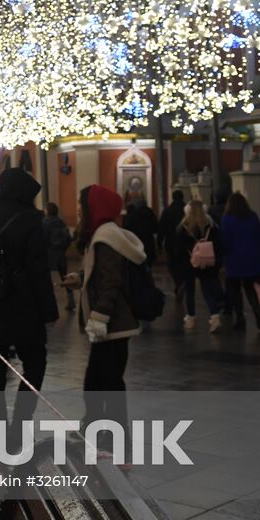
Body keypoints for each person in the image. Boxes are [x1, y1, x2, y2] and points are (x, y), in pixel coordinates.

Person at [0, 168, 58, 431]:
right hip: (23, 306)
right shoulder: (29, 220)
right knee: (35, 362)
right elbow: (38, 272)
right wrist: (49, 311)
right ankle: (20, 420)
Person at [63, 185, 145, 439]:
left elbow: (111, 280)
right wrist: (81, 278)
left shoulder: (106, 236)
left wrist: (100, 316)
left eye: (81, 202)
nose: (78, 207)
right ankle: (97, 426)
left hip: (114, 323)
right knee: (100, 380)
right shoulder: (101, 233)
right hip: (111, 322)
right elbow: (101, 273)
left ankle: (113, 432)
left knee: (106, 381)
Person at [221, 192, 260, 331]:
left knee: (235, 290)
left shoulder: (227, 218)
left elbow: (225, 241)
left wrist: (223, 255)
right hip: (252, 258)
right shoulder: (252, 217)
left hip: (234, 259)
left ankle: (240, 319)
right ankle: (258, 312)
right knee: (249, 288)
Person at [175, 199, 224, 333]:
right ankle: (215, 316)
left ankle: (190, 318)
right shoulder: (211, 225)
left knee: (190, 291)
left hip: (189, 263)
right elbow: (219, 244)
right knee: (207, 290)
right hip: (206, 262)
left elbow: (178, 249)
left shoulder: (183, 226)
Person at [42, 201, 74, 310]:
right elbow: (68, 238)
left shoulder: (45, 222)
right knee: (64, 276)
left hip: (49, 254)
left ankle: (49, 305)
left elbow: (43, 239)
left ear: (47, 211)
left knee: (46, 279)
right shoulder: (62, 222)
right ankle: (71, 301)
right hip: (60, 254)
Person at [121, 198, 160, 266]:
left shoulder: (133, 214)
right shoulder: (150, 213)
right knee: (148, 261)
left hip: (137, 241)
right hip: (148, 241)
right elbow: (156, 228)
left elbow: (128, 228)